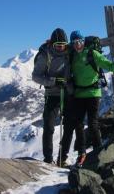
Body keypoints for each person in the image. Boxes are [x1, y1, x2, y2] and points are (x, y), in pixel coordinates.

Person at [60, 30, 114, 167]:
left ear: (84, 41)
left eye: (80, 41)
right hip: (78, 94)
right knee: (78, 124)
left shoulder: (92, 54)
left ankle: (99, 151)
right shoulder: (72, 56)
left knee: (93, 123)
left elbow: (109, 66)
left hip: (93, 93)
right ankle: (82, 154)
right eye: (75, 42)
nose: (78, 45)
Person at [32, 28, 72, 164]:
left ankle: (62, 158)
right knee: (48, 127)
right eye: (57, 45)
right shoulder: (46, 56)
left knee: (68, 127)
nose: (61, 48)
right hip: (51, 94)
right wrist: (52, 81)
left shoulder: (70, 53)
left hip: (67, 93)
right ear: (52, 45)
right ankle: (48, 159)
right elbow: (36, 76)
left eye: (63, 45)